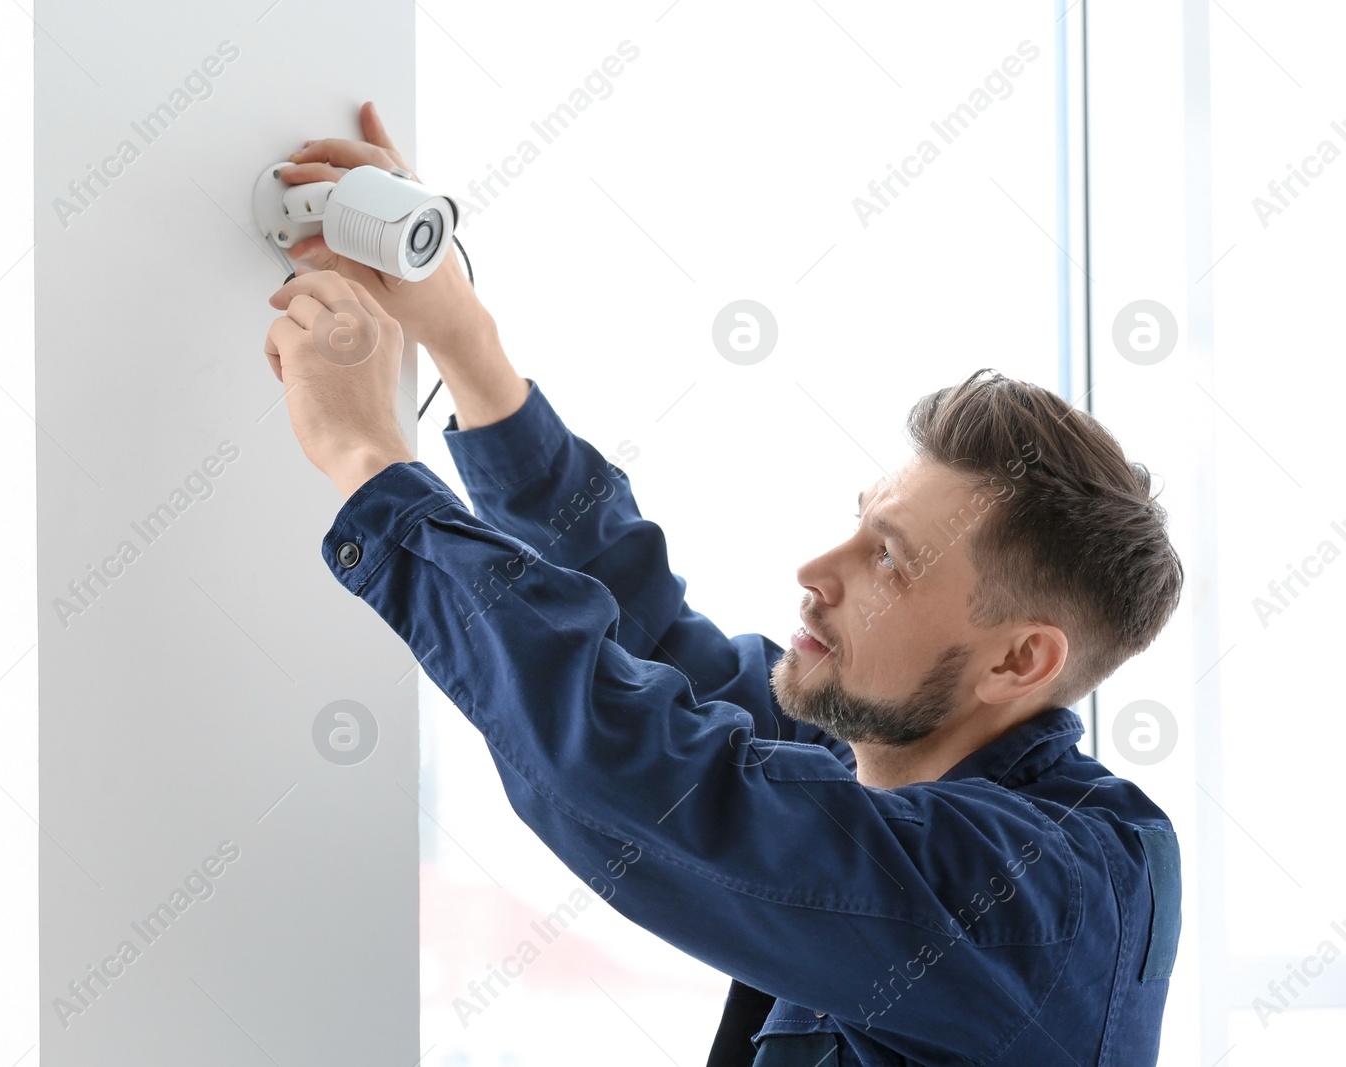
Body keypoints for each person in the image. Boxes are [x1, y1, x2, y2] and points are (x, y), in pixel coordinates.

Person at [263, 102, 1186, 1066]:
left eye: (890, 559)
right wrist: (463, 339)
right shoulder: (886, 747)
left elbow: (640, 774)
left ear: (1018, 659)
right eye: (858, 523)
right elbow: (649, 641)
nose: (816, 571)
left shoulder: (1037, 898)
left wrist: (370, 460)